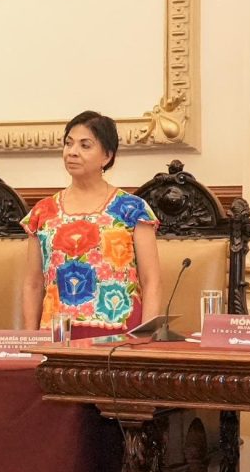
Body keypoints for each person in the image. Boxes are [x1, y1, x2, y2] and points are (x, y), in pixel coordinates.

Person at [21, 111, 160, 338]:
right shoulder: (44, 211)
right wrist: (29, 339)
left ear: (106, 156)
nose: (72, 152)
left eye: (85, 145)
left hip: (121, 334)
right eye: (68, 144)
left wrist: (146, 339)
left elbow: (151, 281)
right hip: (57, 334)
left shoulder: (132, 209)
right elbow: (33, 283)